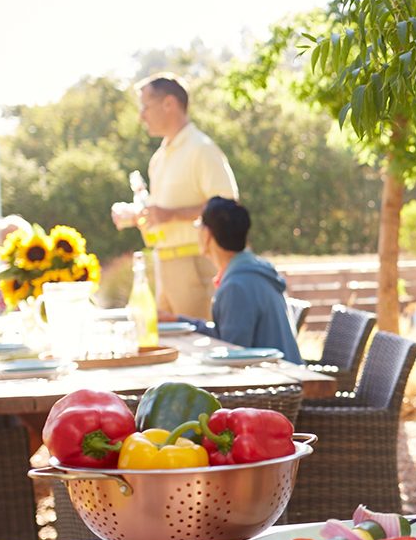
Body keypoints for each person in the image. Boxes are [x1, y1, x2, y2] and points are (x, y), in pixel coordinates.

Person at [109, 74, 237, 322]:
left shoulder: (202, 149)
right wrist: (138, 216)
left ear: (169, 104)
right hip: (162, 265)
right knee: (171, 347)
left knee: (198, 348)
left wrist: (172, 214)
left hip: (196, 265)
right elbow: (162, 216)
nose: (141, 116)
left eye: (145, 107)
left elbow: (228, 208)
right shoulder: (159, 157)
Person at [198, 196, 302, 359]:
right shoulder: (253, 272)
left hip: (277, 381)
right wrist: (177, 320)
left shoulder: (236, 287)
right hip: (286, 376)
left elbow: (232, 355)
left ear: (207, 234)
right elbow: (226, 335)